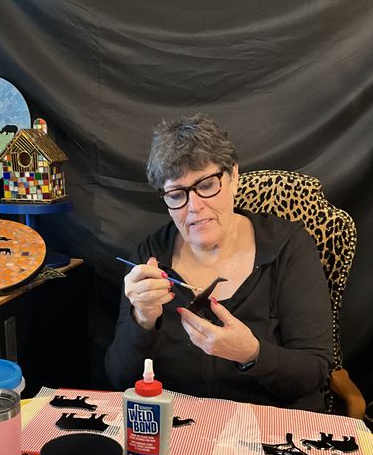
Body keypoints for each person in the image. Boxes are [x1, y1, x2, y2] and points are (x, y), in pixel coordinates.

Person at [105, 114, 334, 411]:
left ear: (233, 176)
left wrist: (251, 354)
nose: (195, 207)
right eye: (176, 194)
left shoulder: (287, 247)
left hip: (270, 426)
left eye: (206, 185)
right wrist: (143, 320)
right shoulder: (149, 258)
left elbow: (314, 373)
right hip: (180, 424)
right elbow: (119, 378)